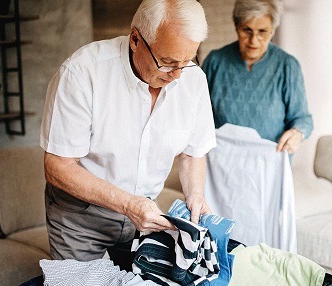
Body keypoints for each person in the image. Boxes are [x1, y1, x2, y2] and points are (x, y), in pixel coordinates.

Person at [40, 0, 216, 270]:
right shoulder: (82, 73)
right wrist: (128, 204)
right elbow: (57, 166)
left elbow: (192, 153)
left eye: (187, 62)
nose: (178, 76)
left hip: (144, 215)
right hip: (80, 216)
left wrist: (195, 194)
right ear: (136, 39)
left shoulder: (193, 80)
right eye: (168, 63)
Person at [201, 0, 313, 155]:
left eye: (262, 31)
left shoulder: (287, 66)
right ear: (236, 26)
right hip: (222, 161)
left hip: (269, 162)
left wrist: (297, 133)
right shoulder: (215, 62)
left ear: (272, 30)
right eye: (247, 30)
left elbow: (303, 118)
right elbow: (198, 114)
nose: (254, 40)